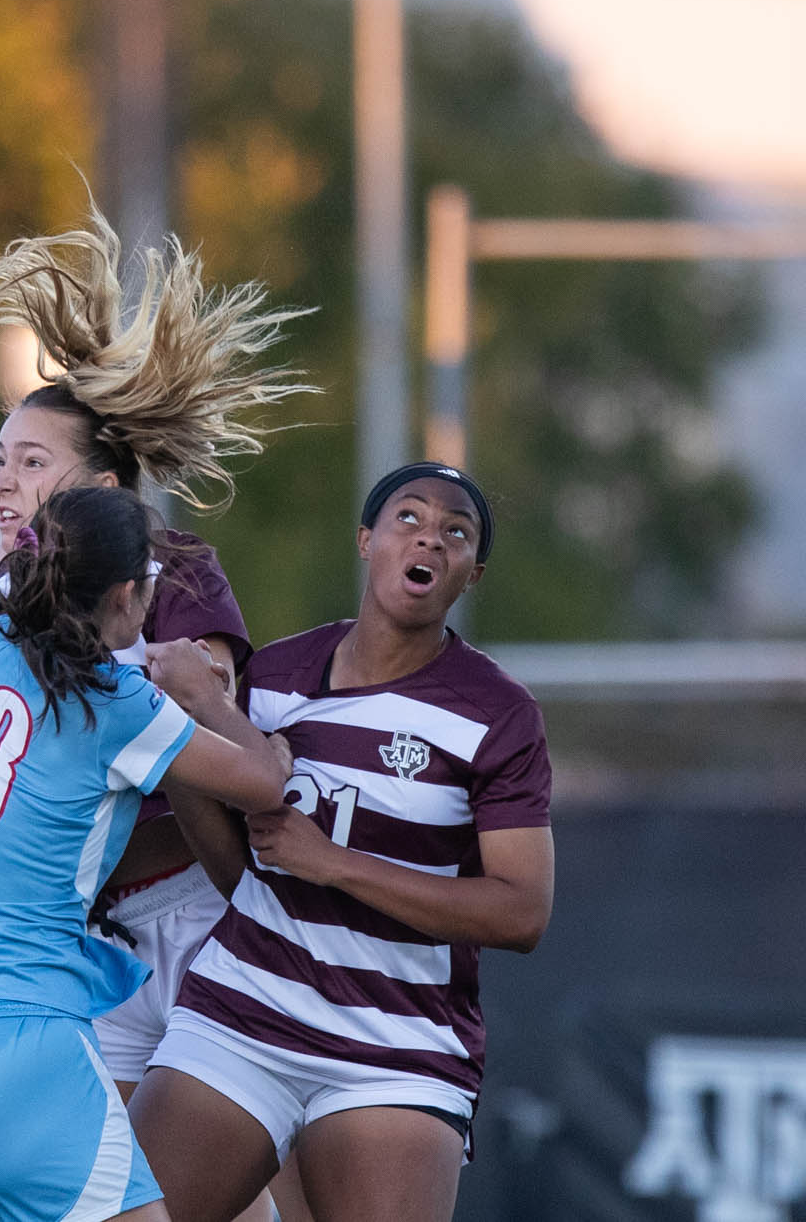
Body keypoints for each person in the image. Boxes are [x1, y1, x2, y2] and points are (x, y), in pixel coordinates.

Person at [0, 212, 316, 1220]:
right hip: (82, 943)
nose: (8, 483)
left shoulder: (170, 568)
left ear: (99, 484)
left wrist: (156, 699)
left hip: (196, 911)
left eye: (34, 463)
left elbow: (217, 746)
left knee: (240, 1198)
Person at [0, 485, 291, 1222]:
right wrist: (205, 696)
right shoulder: (118, 700)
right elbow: (264, 785)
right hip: (17, 1048)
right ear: (126, 594)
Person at [131, 462, 556, 1222]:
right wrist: (186, 743)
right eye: (408, 517)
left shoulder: (498, 713)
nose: (430, 535)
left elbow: (521, 913)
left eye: (456, 531)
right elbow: (244, 873)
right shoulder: (279, 674)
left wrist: (334, 862)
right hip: (244, 1013)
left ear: (471, 573)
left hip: (393, 1047)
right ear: (366, 540)